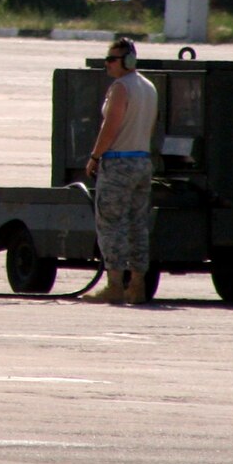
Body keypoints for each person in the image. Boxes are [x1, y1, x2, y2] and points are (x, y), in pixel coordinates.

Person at [84, 37, 159, 304]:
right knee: (138, 225)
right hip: (142, 162)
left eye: (111, 59)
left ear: (127, 61)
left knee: (111, 225)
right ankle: (137, 285)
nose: (107, 64)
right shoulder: (148, 87)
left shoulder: (120, 88)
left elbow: (111, 126)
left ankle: (115, 284)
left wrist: (95, 156)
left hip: (118, 163)